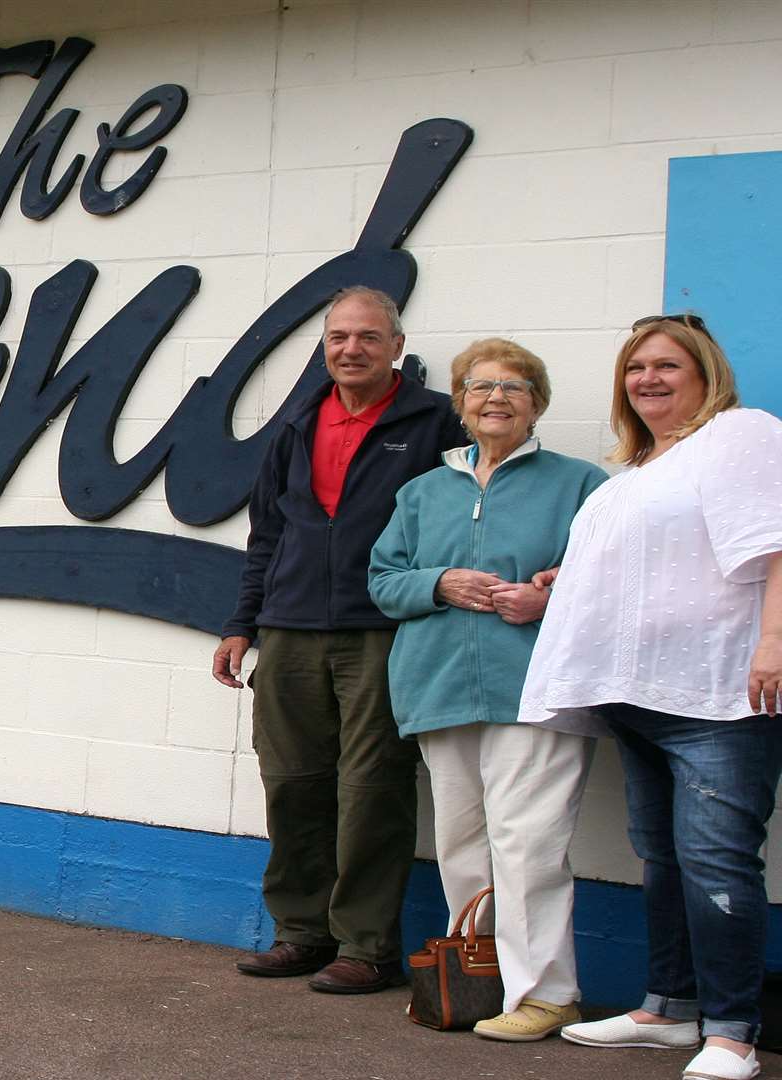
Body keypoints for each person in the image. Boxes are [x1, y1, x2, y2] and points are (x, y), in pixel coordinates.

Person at [520, 315, 782, 1080]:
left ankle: (733, 1032)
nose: (649, 379)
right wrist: (569, 584)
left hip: (716, 693)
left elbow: (775, 541)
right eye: (636, 368)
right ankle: (670, 1008)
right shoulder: (635, 473)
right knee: (664, 860)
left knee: (717, 863)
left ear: (706, 374)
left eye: (668, 365)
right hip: (636, 695)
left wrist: (774, 643)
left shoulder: (739, 434)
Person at [212, 286, 468, 993]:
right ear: (325, 347)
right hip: (288, 628)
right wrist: (242, 623)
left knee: (372, 789)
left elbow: (463, 516)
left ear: (397, 347)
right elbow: (267, 533)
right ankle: (300, 932)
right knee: (291, 784)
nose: (351, 350)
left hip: (383, 629)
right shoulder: (296, 423)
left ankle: (367, 946)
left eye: (368, 337)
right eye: (338, 338)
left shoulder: (435, 422)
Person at [368, 339, 609, 1039]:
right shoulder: (422, 491)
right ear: (461, 404)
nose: (496, 398)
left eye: (514, 386)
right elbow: (383, 582)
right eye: (480, 387)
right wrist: (437, 583)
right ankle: (477, 984)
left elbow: (607, 582)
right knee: (464, 845)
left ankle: (547, 993)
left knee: (527, 843)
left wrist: (546, 602)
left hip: (534, 691)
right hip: (439, 690)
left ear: (537, 404)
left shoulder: (580, 484)